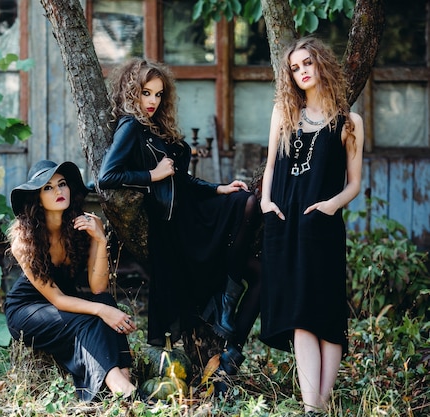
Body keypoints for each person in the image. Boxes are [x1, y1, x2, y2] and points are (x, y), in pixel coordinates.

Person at [97, 58, 262, 392]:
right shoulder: (131, 125)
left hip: (191, 209)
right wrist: (151, 176)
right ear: (132, 91)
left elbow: (182, 182)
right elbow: (107, 176)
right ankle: (227, 303)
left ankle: (230, 320)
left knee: (249, 210)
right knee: (248, 208)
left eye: (158, 94)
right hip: (175, 225)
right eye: (146, 93)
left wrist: (218, 188)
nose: (153, 101)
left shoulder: (156, 126)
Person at [259, 37, 364, 415]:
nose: (302, 71)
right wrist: (266, 203)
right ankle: (312, 407)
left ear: (321, 65)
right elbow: (270, 166)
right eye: (295, 67)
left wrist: (330, 207)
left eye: (307, 63)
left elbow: (354, 183)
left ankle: (321, 402)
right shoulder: (283, 114)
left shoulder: (349, 123)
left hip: (323, 226)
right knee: (300, 312)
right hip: (285, 223)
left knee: (328, 312)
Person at [4, 159, 138, 402]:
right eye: (48, 187)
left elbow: (98, 288)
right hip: (28, 310)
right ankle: (120, 386)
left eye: (62, 184)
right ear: (36, 197)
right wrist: (103, 311)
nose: (58, 191)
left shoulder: (82, 225)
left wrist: (100, 240)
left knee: (104, 300)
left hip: (64, 305)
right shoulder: (23, 238)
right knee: (94, 317)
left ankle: (124, 381)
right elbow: (57, 298)